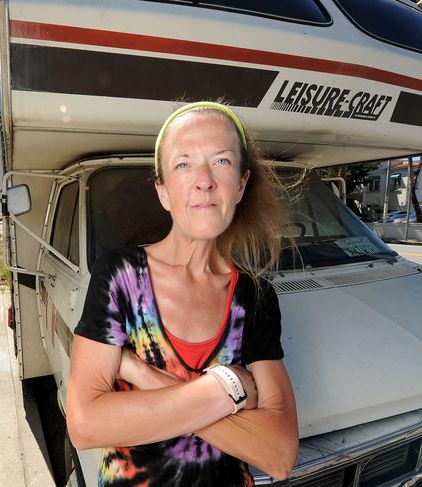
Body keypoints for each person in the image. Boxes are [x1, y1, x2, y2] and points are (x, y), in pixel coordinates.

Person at [66, 101, 299, 486]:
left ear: (240, 184)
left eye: (221, 161)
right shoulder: (121, 276)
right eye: (183, 163)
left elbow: (278, 455)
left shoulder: (255, 298)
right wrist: (230, 389)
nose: (204, 180)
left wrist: (141, 374)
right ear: (162, 191)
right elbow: (85, 425)